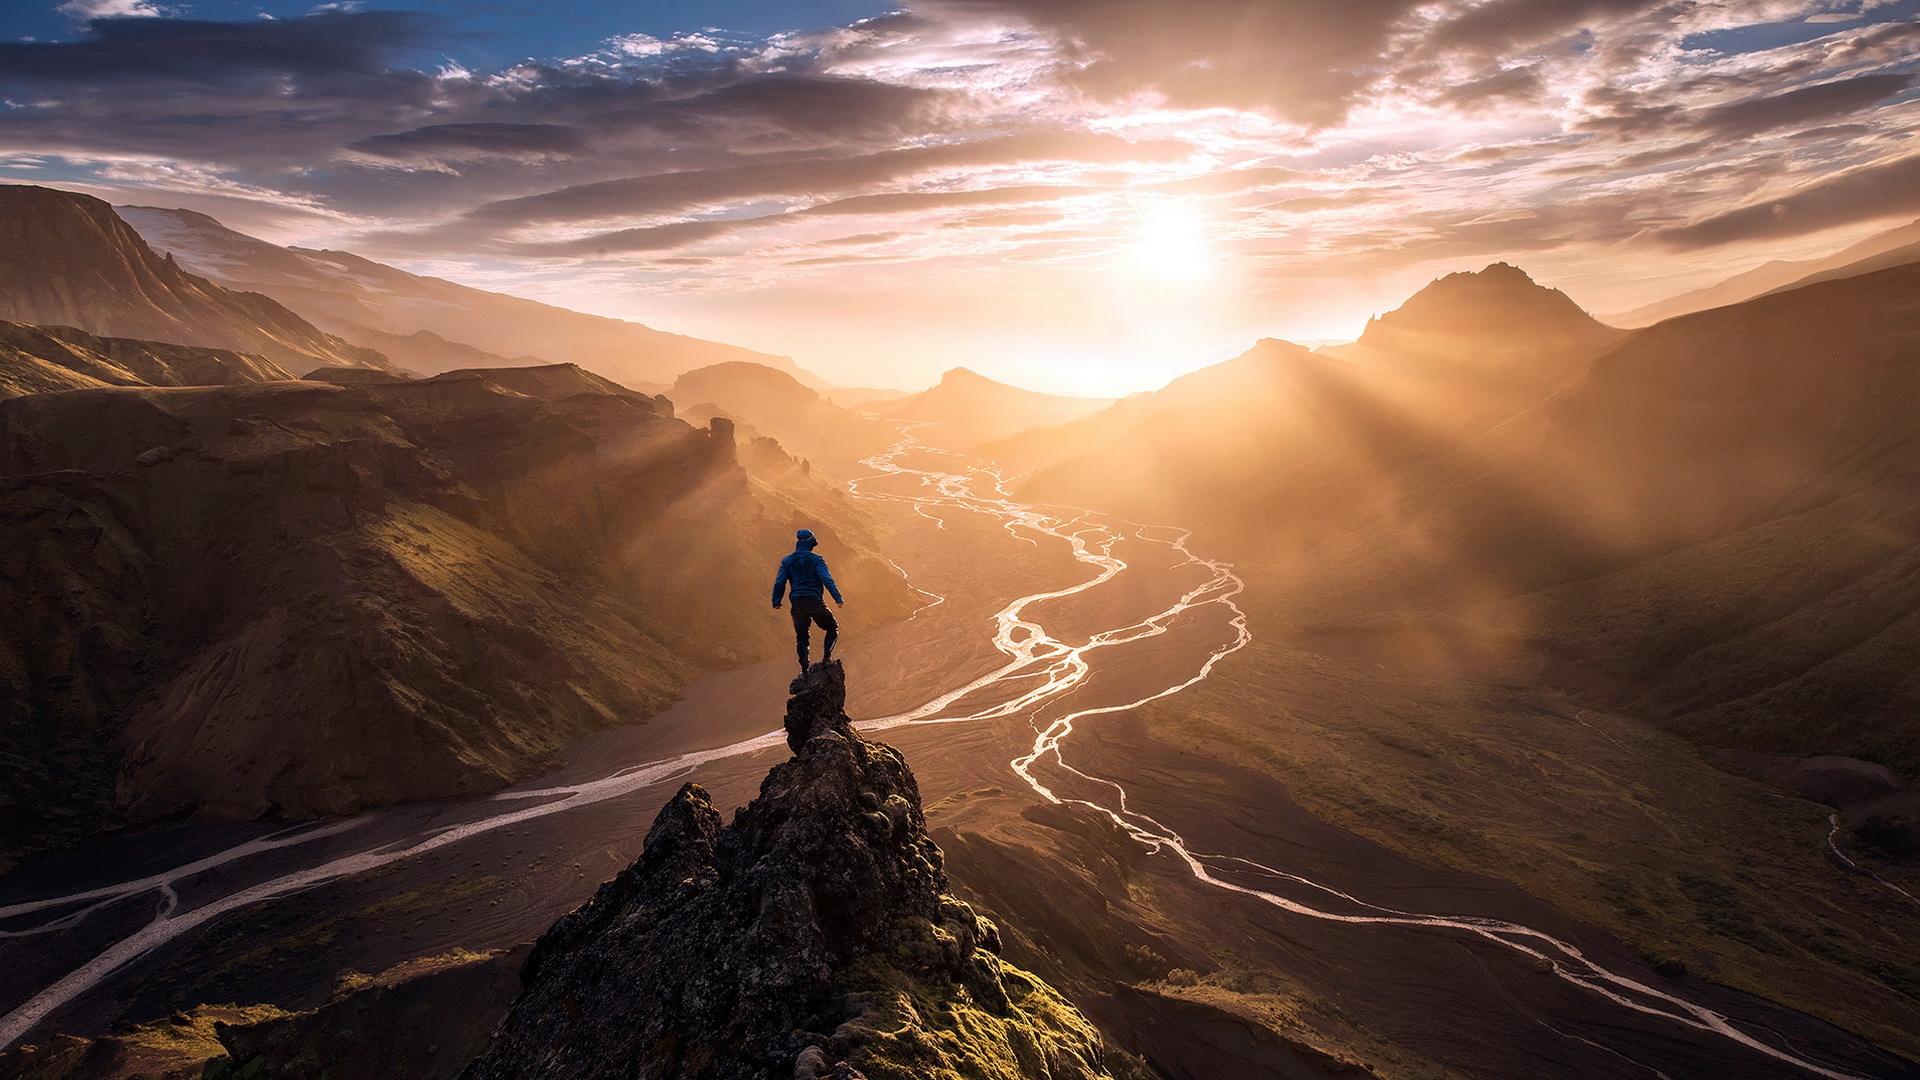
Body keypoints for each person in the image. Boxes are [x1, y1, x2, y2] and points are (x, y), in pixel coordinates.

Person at [772, 528, 843, 674]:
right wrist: (837, 598)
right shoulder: (817, 560)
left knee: (802, 638)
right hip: (815, 602)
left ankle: (804, 670)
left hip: (797, 604)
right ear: (811, 541)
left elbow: (780, 582)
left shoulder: (787, 561)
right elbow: (827, 579)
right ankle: (827, 658)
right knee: (832, 628)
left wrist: (776, 601)